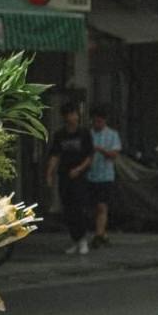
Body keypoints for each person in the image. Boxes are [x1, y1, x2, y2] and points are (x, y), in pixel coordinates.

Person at [46, 102, 94, 255]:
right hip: (64, 175)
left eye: (74, 114)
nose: (71, 117)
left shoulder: (84, 133)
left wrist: (79, 169)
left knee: (79, 207)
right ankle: (75, 239)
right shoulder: (60, 135)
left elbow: (89, 156)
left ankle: (83, 239)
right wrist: (49, 173)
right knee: (68, 209)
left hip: (80, 176)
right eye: (68, 114)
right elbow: (55, 155)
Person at [87, 106, 122, 248]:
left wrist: (100, 150)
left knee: (102, 205)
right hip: (90, 174)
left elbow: (114, 154)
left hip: (106, 176)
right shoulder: (88, 134)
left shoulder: (112, 135)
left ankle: (99, 234)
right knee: (92, 206)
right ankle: (100, 232)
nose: (97, 123)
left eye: (100, 120)